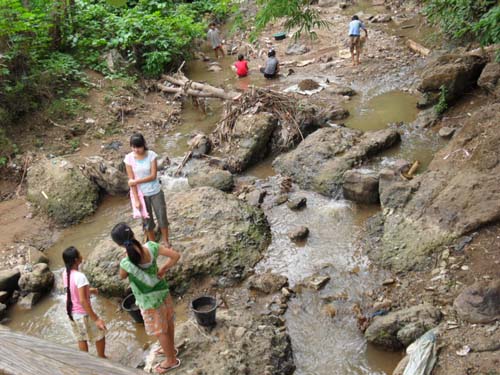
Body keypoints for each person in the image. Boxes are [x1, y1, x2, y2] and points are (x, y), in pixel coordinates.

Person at [111, 222, 181, 374]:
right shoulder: (151, 246)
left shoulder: (126, 262)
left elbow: (122, 276)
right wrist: (163, 269)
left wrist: (126, 259)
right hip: (163, 292)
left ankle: (171, 360)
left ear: (118, 244)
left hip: (149, 302)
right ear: (133, 234)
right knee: (168, 322)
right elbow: (175, 256)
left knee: (159, 331)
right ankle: (171, 349)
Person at [124, 133, 170, 246]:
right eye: (133, 147)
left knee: (162, 217)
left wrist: (136, 181)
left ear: (143, 145)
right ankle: (153, 244)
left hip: (155, 191)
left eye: (138, 147)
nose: (136, 150)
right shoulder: (129, 159)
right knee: (147, 221)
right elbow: (131, 181)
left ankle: (166, 241)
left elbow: (153, 176)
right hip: (141, 194)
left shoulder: (151, 155)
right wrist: (136, 200)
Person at [62, 246, 107, 358]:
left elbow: (72, 291)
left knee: (81, 338)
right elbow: (82, 300)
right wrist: (96, 319)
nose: (82, 255)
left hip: (72, 313)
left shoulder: (65, 273)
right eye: (79, 254)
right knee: (100, 334)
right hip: (83, 314)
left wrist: (90, 290)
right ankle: (102, 358)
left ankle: (86, 361)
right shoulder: (80, 276)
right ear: (76, 260)